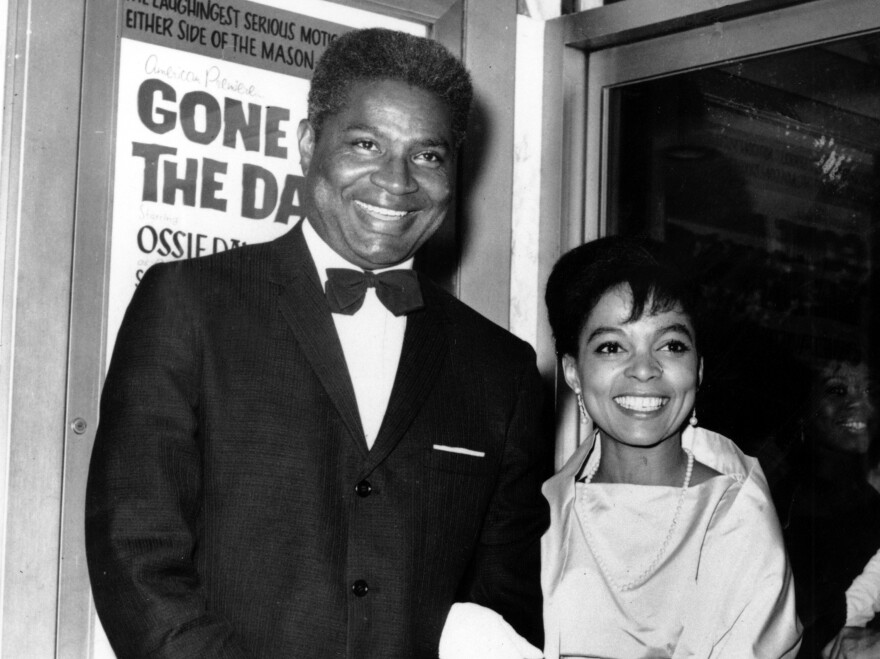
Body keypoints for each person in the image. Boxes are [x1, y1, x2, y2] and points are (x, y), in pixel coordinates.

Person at [85, 28, 551, 658]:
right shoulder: (190, 302)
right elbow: (136, 551)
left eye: (428, 156)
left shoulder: (503, 371)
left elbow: (502, 604)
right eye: (366, 144)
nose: (396, 181)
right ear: (309, 144)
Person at [540, 235, 802, 658]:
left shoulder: (737, 516)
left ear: (697, 370)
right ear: (573, 372)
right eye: (612, 347)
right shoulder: (544, 513)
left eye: (671, 345)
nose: (644, 368)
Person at [770, 356, 880, 658]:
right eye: (838, 391)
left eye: (870, 390)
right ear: (804, 409)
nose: (859, 404)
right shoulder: (783, 502)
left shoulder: (868, 503)